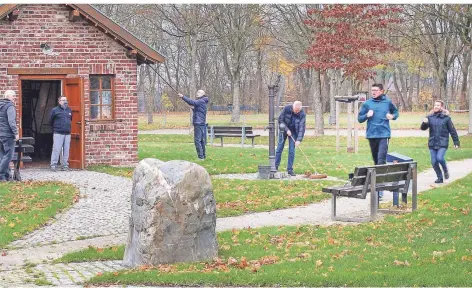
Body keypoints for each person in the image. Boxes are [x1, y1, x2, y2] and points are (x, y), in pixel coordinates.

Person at [358, 84, 399, 199]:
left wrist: (392, 116)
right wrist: (367, 115)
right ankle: (378, 185)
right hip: (372, 135)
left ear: (381, 91)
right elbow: (359, 119)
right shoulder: (367, 104)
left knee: (381, 160)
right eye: (372, 90)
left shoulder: (387, 102)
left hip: (384, 134)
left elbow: (396, 113)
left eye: (376, 90)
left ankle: (380, 189)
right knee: (376, 161)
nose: (373, 92)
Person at [420, 100, 460, 183]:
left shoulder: (446, 118)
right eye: (435, 105)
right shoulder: (430, 117)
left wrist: (456, 142)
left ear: (442, 107)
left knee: (440, 158)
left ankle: (445, 170)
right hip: (432, 143)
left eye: (438, 105)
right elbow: (423, 128)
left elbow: (452, 131)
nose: (436, 106)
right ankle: (440, 178)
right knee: (434, 162)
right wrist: (424, 123)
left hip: (443, 143)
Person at [275, 101, 306, 176]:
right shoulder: (286, 108)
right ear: (293, 107)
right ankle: (275, 167)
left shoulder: (302, 114)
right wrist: (286, 130)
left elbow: (302, 127)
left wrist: (298, 140)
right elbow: (280, 120)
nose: (297, 112)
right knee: (279, 148)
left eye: (298, 110)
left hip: (294, 132)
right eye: (296, 110)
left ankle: (289, 169)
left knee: (292, 150)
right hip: (284, 130)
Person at [178, 90, 209, 160]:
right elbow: (198, 110)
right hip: (201, 123)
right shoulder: (203, 101)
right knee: (201, 141)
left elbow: (192, 102)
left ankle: (201, 157)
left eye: (199, 92)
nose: (197, 93)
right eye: (197, 92)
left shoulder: (201, 101)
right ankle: (203, 156)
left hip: (198, 123)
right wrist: (194, 109)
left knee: (197, 141)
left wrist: (182, 96)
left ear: (203, 94)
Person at [0, 90, 19, 181]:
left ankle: (6, 176)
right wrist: (16, 133)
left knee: (2, 155)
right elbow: (12, 122)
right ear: (8, 96)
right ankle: (1, 174)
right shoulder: (10, 106)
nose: (14, 97)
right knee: (8, 155)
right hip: (7, 134)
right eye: (13, 96)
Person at [49, 95, 72, 171]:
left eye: (66, 100)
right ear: (59, 102)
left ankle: (65, 165)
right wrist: (56, 129)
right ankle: (53, 165)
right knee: (56, 149)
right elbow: (50, 121)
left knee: (66, 150)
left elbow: (70, 120)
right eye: (63, 100)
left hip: (67, 133)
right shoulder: (55, 110)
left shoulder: (69, 110)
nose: (65, 102)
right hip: (58, 133)